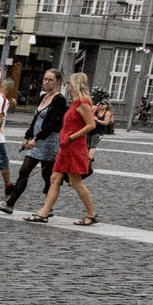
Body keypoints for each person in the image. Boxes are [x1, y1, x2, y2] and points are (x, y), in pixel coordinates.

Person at [30, 72, 102, 225]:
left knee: (76, 183)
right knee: (54, 179)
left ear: (75, 84)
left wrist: (72, 137)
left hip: (74, 148)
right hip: (65, 147)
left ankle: (91, 214)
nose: (67, 86)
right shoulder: (76, 102)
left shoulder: (83, 102)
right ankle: (44, 213)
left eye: (69, 83)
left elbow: (91, 125)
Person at [2, 69, 67, 215]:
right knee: (24, 170)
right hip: (36, 138)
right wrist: (28, 135)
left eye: (50, 79)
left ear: (58, 82)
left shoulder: (59, 100)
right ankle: (10, 203)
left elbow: (52, 124)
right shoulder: (43, 97)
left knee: (47, 176)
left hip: (49, 141)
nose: (47, 82)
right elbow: (36, 119)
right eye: (45, 79)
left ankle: (47, 207)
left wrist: (36, 139)